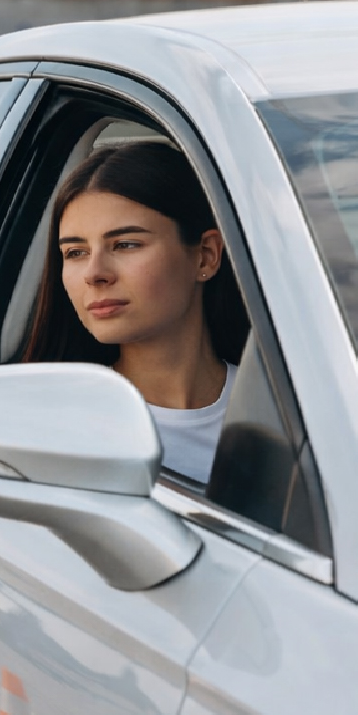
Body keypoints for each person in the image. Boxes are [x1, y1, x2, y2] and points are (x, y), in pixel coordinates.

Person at [20, 141, 249, 483]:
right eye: (75, 252)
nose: (94, 274)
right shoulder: (49, 428)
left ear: (206, 256)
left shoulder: (288, 414)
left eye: (125, 244)